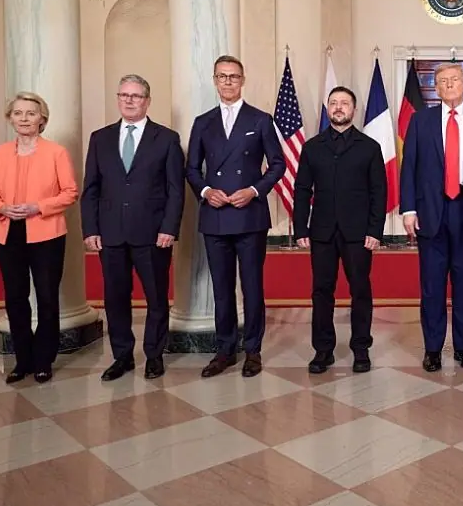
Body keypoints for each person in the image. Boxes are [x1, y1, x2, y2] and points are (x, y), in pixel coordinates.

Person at [185, 55, 286, 378]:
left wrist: (255, 191)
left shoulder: (260, 119)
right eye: (222, 76)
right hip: (215, 214)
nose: (228, 82)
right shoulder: (203, 122)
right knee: (221, 287)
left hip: (249, 215)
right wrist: (205, 192)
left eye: (233, 76)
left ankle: (253, 350)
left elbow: (277, 164)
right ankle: (225, 349)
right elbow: (191, 168)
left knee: (253, 286)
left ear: (243, 80)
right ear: (215, 81)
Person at [399, 62, 463, 372]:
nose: (450, 85)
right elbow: (409, 168)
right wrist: (408, 209)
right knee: (431, 286)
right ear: (436, 88)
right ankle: (432, 349)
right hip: (431, 212)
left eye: (455, 80)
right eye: (443, 81)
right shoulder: (421, 121)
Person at [82, 74, 185, 381]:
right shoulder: (99, 138)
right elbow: (91, 188)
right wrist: (90, 229)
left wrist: (169, 228)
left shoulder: (166, 138)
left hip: (153, 234)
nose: (128, 100)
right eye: (123, 95)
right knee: (115, 298)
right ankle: (122, 356)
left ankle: (154, 355)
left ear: (147, 101)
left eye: (136, 96)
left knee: (155, 297)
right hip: (110, 233)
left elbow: (175, 189)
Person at [0, 92, 78, 384]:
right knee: (15, 297)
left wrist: (39, 206)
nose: (24, 119)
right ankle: (22, 360)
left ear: (42, 119)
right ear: (10, 118)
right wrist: (1, 208)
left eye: (31, 113)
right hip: (8, 231)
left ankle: (43, 360)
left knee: (47, 298)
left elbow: (70, 192)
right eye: (18, 113)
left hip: (46, 232)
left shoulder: (56, 152)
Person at [293, 86, 387, 374]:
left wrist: (375, 230)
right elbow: (301, 190)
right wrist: (300, 228)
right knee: (322, 291)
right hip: (321, 231)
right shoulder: (312, 146)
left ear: (353, 110)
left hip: (359, 233)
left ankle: (361, 349)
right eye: (333, 103)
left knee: (360, 290)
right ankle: (323, 351)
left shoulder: (369, 147)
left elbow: (378, 192)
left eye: (344, 103)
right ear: (328, 108)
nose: (338, 107)